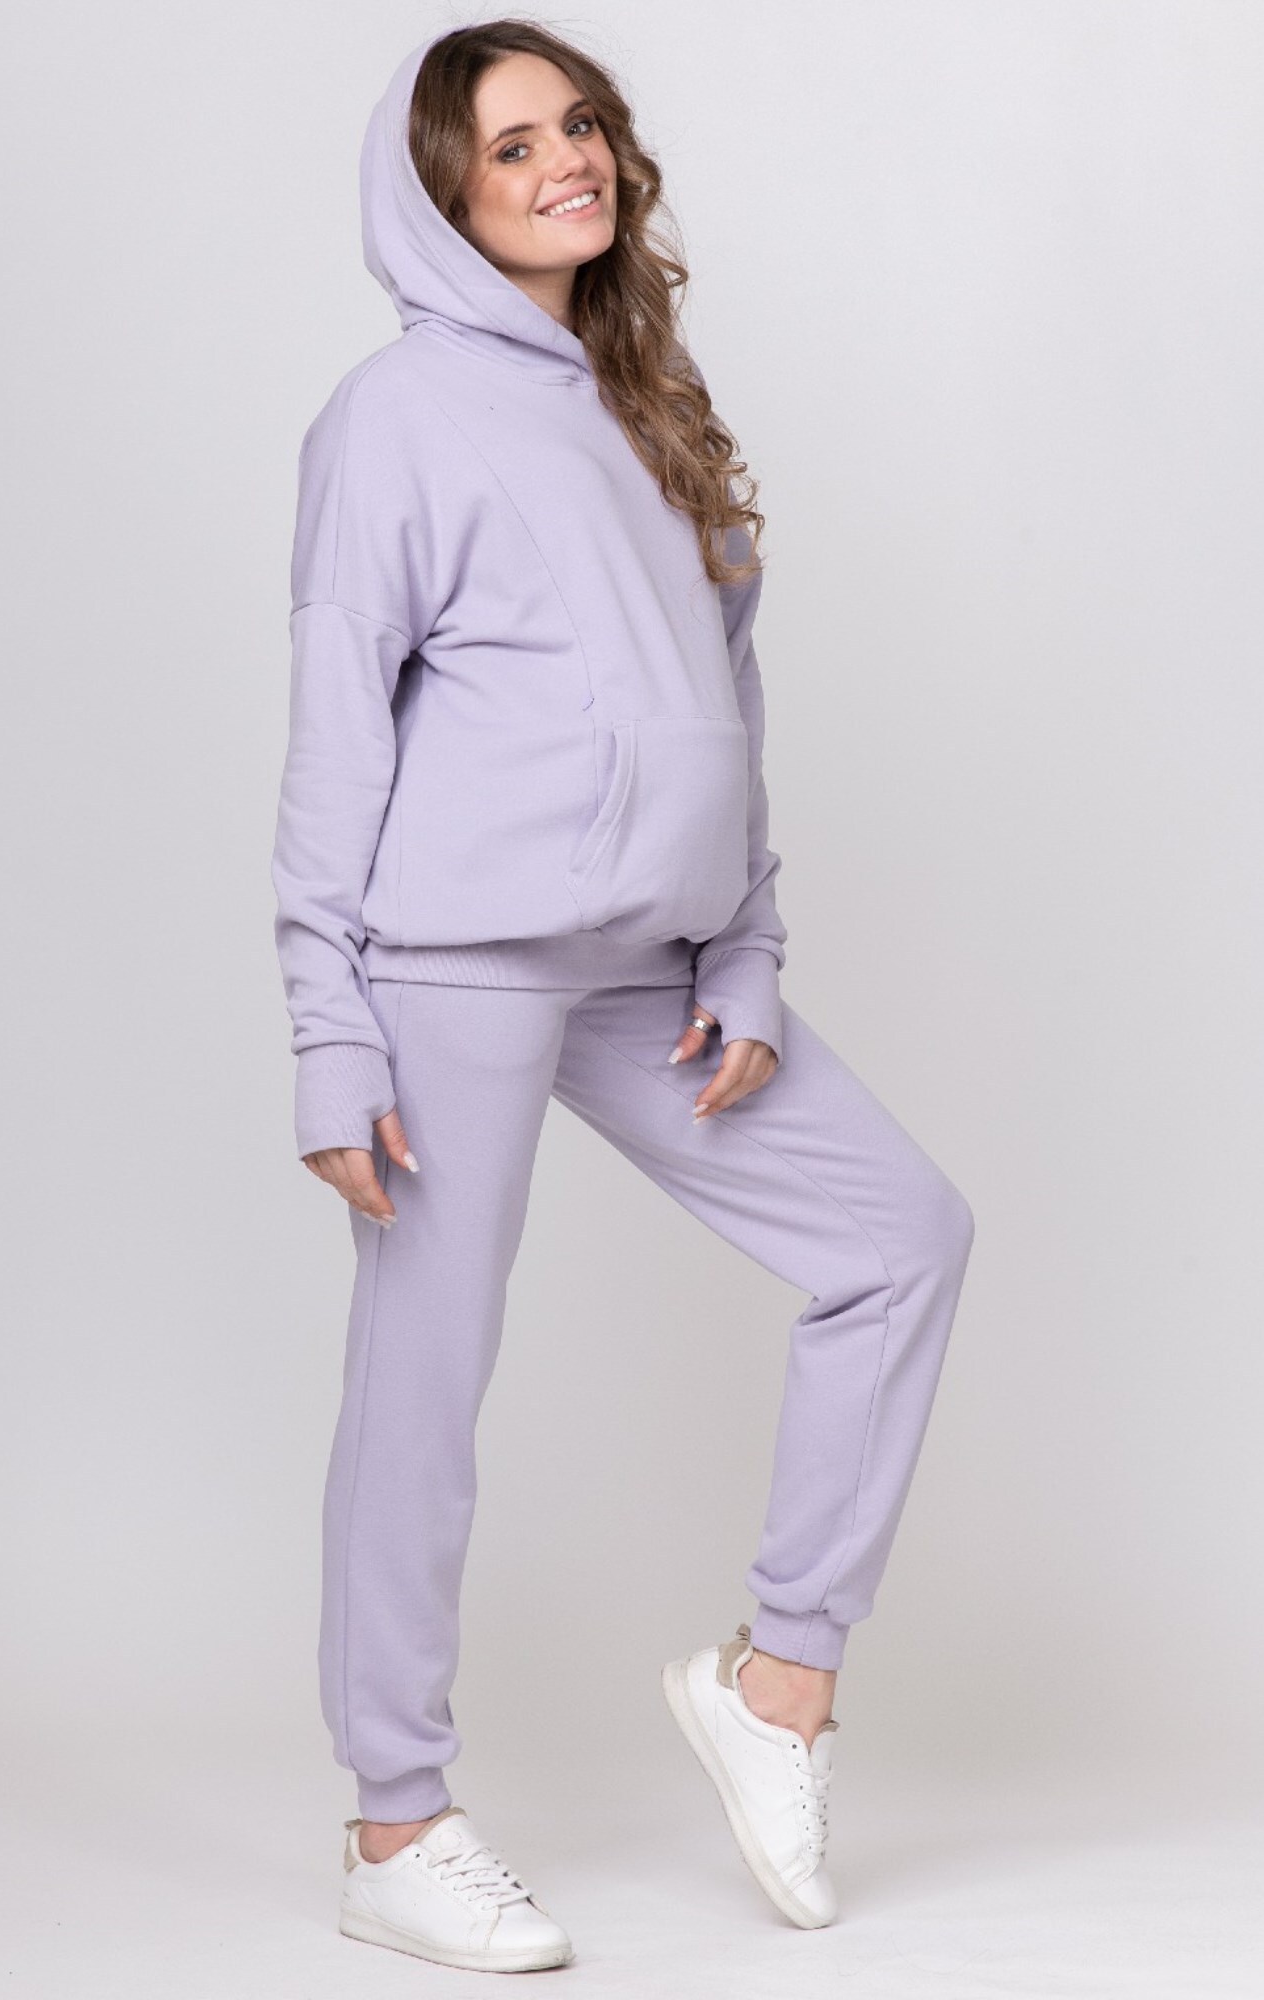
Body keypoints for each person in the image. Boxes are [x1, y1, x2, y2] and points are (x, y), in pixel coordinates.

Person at [270, 19, 975, 1975]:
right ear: (439, 194)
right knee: (426, 1382)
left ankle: (777, 1686)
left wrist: (744, 947)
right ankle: (393, 1821)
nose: (562, 160)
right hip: (451, 963)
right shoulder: (394, 418)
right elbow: (335, 737)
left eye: (577, 124)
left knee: (899, 1238)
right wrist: (327, 1021)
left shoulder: (648, 397)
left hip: (648, 964)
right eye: (510, 146)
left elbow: (720, 713)